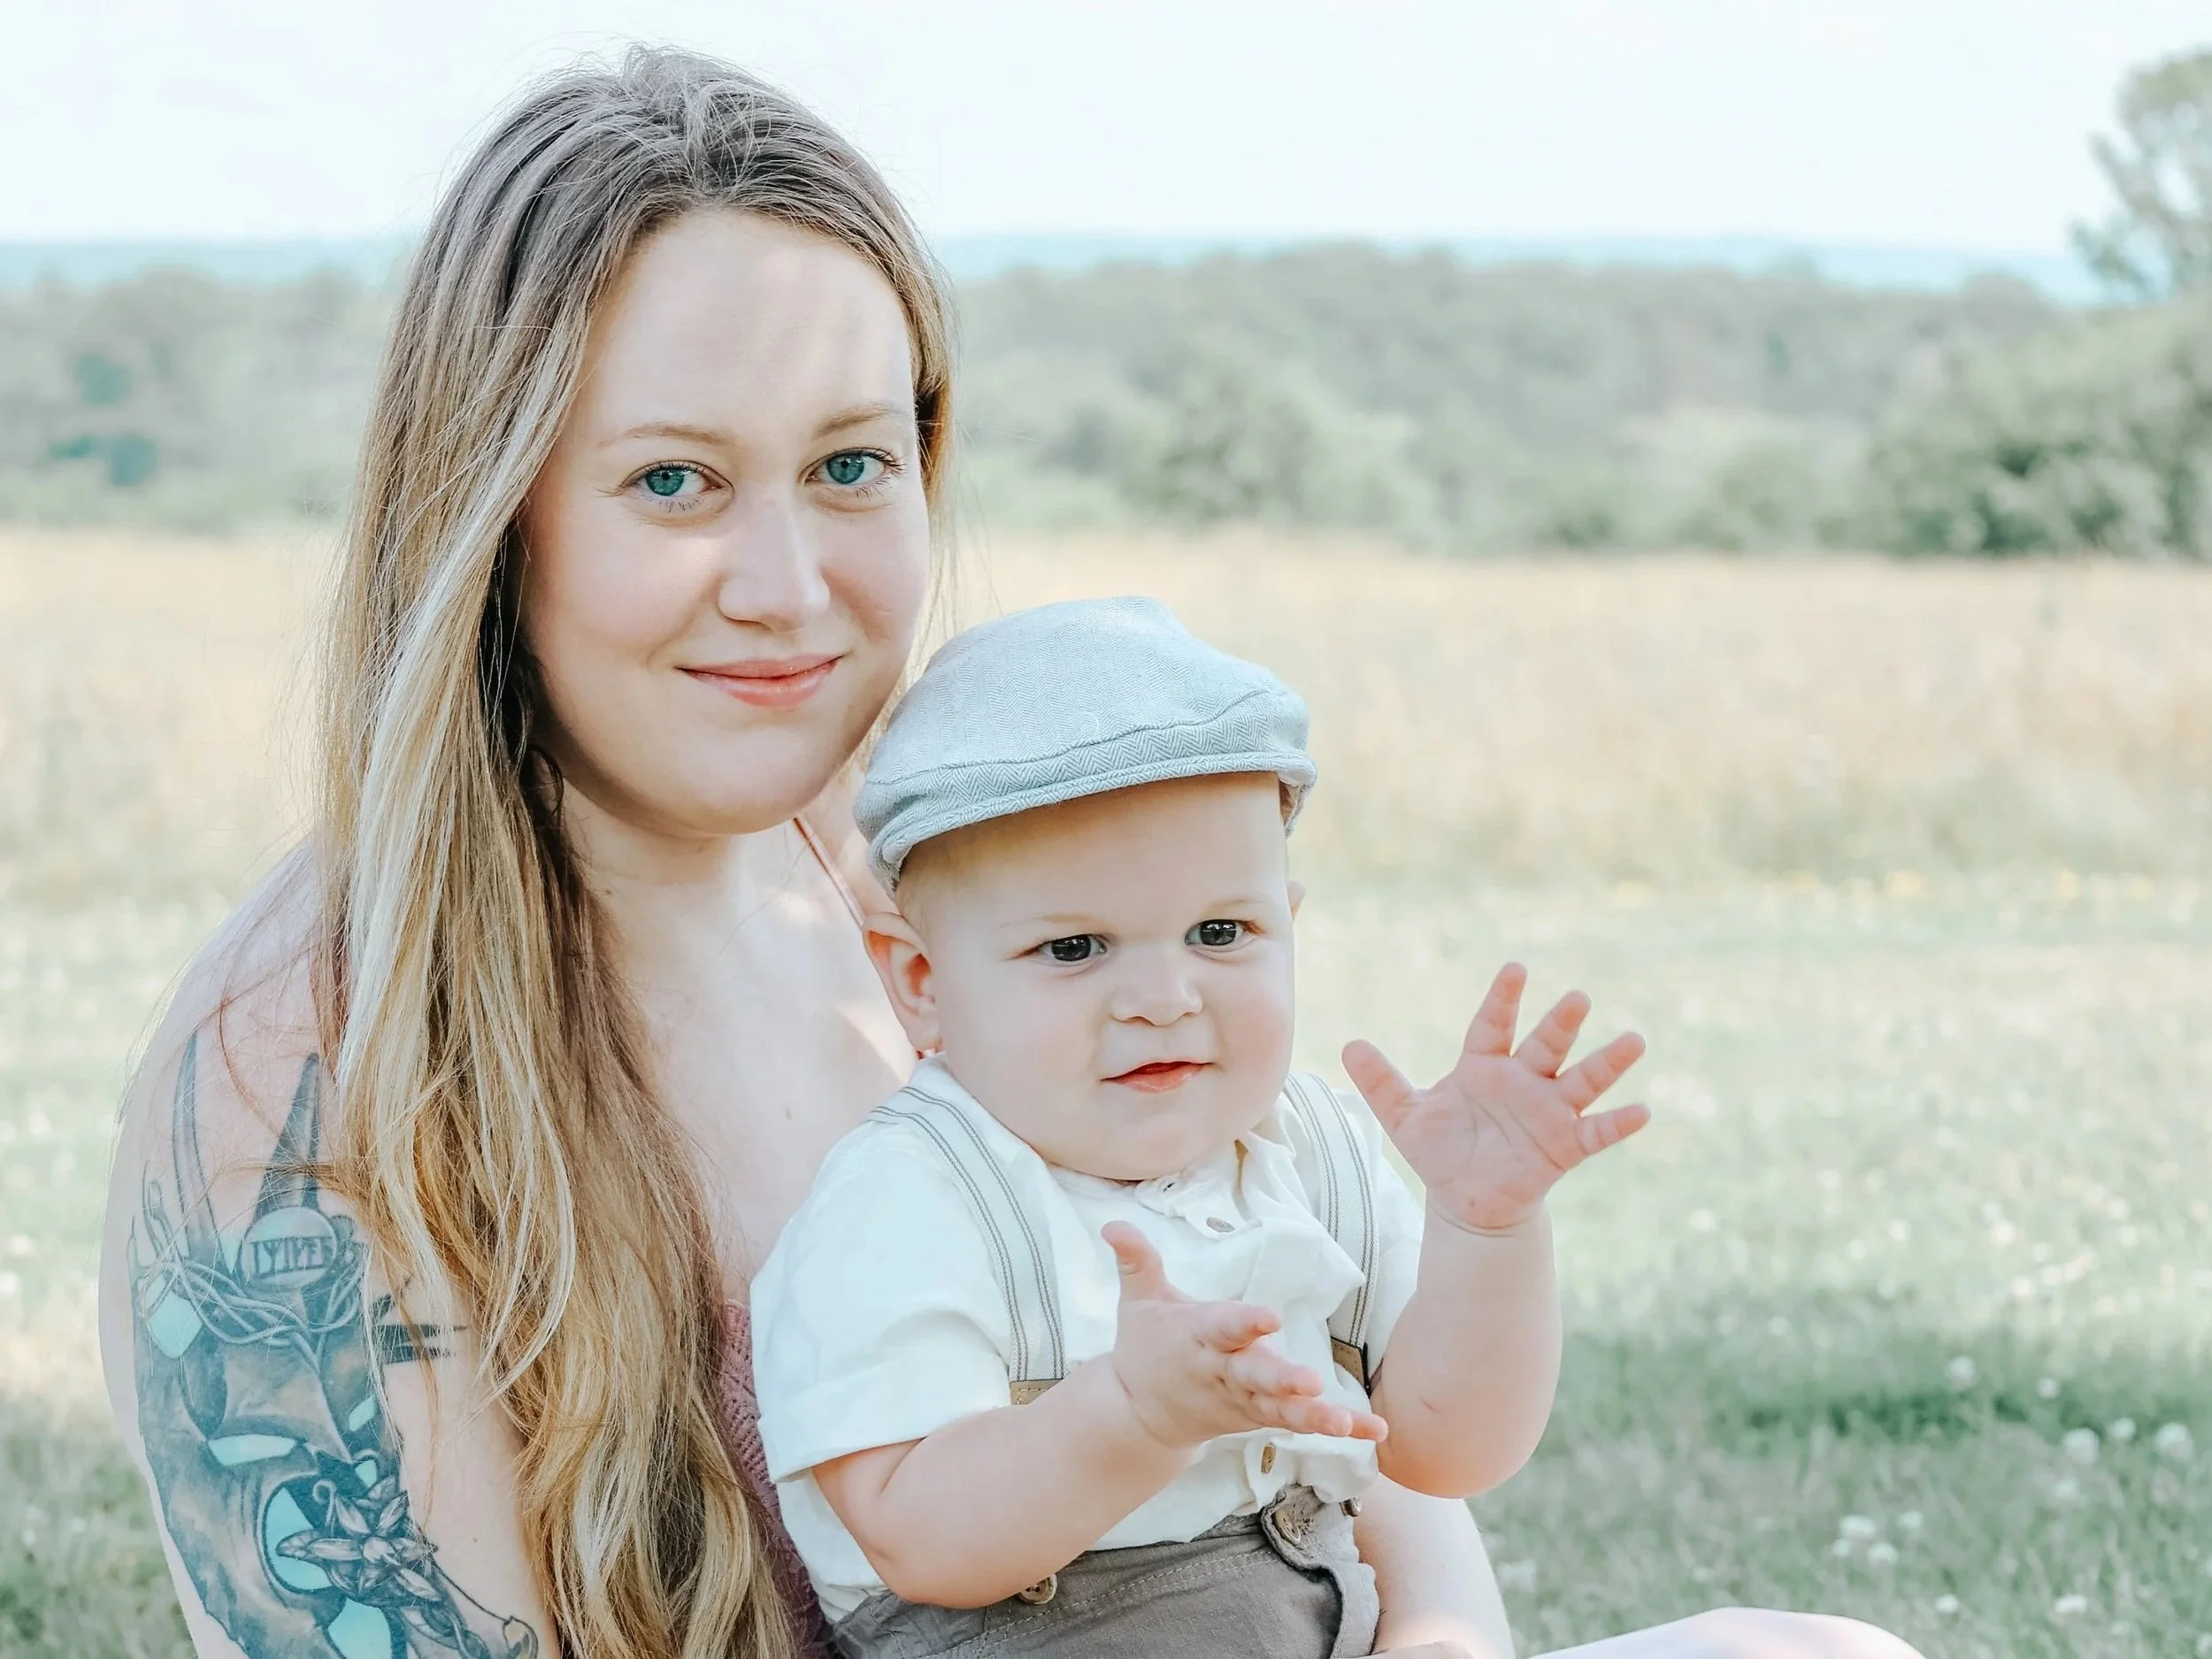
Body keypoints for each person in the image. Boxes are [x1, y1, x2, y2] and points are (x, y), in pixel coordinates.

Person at [96, 44, 1925, 1659]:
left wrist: (1434, 1625)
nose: (786, 588)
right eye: (671, 481)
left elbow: (1326, 1392)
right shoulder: (306, 1072)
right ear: (493, 515)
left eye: (847, 466)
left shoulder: (951, 866)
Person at [752, 596, 1651, 1657]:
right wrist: (1130, 1414)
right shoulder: (912, 1197)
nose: (1164, 996)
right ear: (922, 982)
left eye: (1219, 932)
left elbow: (1444, 1453)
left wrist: (1486, 1231)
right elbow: (917, 1539)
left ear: (1289, 927)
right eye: (1075, 948)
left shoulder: (1308, 1151)